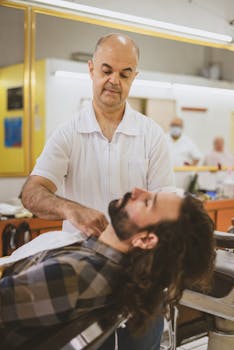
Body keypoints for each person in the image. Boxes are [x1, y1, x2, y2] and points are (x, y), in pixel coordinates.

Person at [21, 33, 174, 349]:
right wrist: (69, 209)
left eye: (124, 73)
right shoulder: (68, 133)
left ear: (134, 77)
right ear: (91, 70)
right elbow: (32, 193)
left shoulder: (151, 136)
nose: (114, 81)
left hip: (141, 272)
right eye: (107, 70)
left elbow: (167, 204)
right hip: (84, 274)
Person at [0, 188, 215, 350]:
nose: (137, 190)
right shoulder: (116, 274)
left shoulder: (76, 276)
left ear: (146, 239)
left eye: (148, 202)